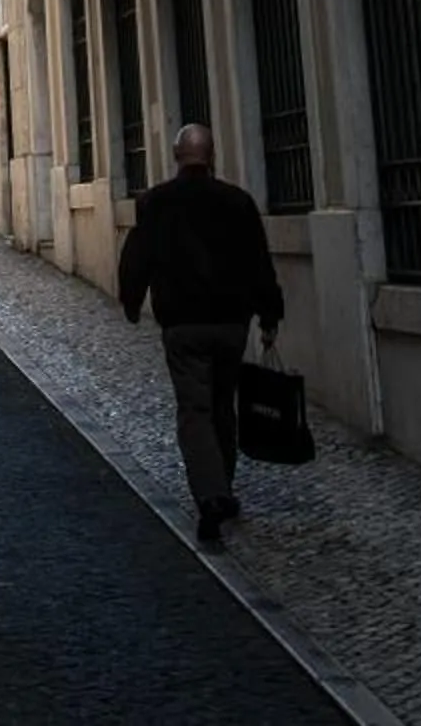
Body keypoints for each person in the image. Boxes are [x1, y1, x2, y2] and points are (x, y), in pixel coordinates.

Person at [118, 123, 285, 545]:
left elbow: (136, 258)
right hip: (231, 324)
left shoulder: (155, 203)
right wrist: (269, 316)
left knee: (195, 412)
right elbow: (258, 263)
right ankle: (222, 487)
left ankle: (211, 496)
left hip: (183, 325)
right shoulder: (238, 202)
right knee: (222, 406)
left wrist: (132, 302)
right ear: (211, 157)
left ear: (178, 157)